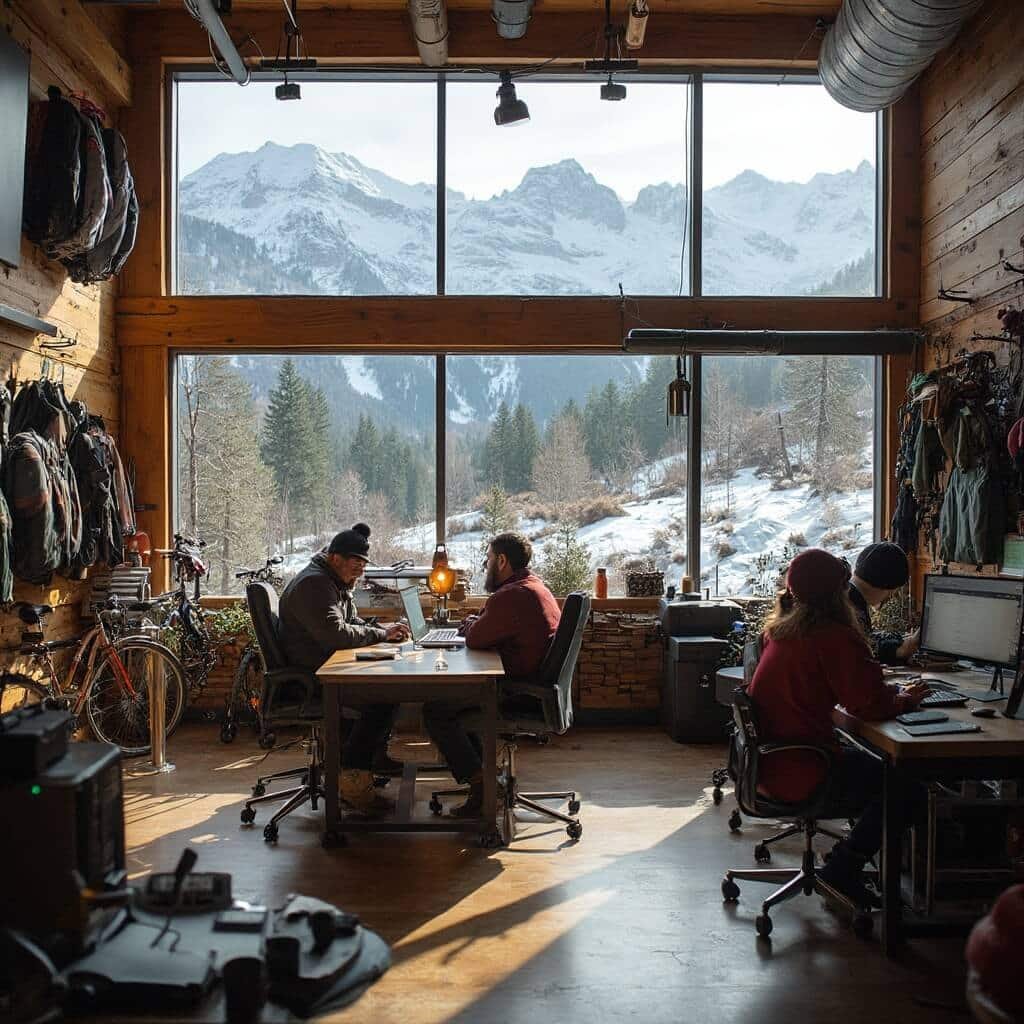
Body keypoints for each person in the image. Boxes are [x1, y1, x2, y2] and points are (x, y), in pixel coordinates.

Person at [748, 548, 928, 908]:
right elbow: (871, 706)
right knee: (907, 789)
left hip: (773, 763)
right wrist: (905, 698)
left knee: (875, 765)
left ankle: (850, 860)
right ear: (840, 593)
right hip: (804, 768)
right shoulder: (833, 637)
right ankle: (845, 867)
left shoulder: (780, 632)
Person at [423, 532, 561, 818]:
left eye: (488, 560)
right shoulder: (534, 586)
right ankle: (484, 778)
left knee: (436, 710)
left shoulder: (512, 595)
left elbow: (475, 638)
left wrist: (473, 624)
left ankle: (482, 785)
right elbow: (487, 627)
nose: (486, 566)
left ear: (501, 560)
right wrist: (478, 623)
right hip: (534, 685)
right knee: (449, 704)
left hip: (516, 690)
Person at [278, 523, 410, 814]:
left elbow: (349, 623)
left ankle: (366, 764)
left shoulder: (331, 581)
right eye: (356, 563)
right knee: (381, 699)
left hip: (326, 667)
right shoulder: (315, 585)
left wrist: (382, 630)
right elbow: (336, 635)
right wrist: (381, 636)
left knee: (386, 691)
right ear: (335, 558)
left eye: (364, 564)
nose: (361, 570)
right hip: (313, 678)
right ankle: (353, 778)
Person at [849, 541, 919, 664]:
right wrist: (902, 649)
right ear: (889, 588)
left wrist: (897, 646)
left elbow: (865, 641)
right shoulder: (849, 610)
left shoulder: (846, 593)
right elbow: (861, 657)